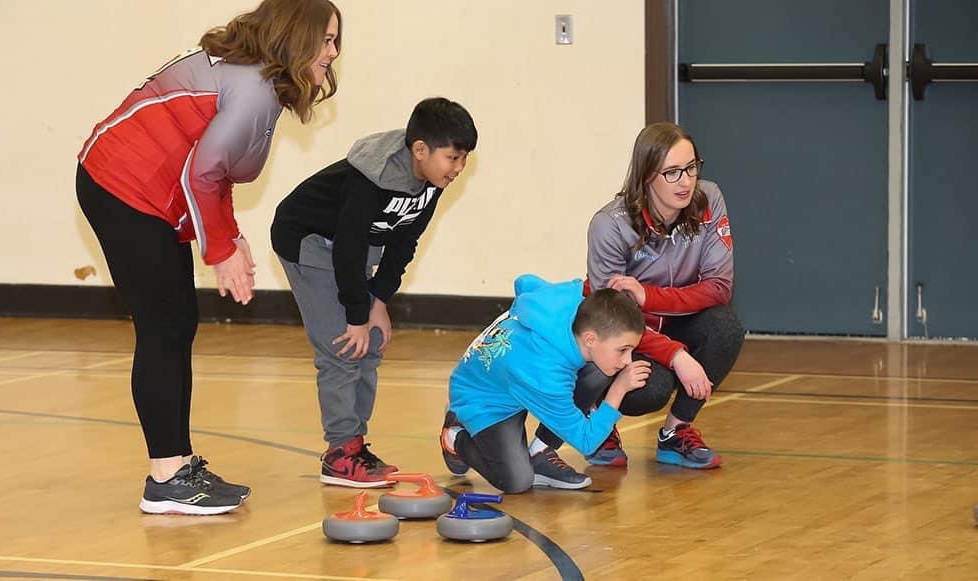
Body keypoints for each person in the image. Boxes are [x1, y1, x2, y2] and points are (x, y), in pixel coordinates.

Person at [76, 0, 342, 515]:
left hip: (148, 191)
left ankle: (176, 463)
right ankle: (166, 477)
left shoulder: (253, 78)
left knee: (177, 324)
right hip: (122, 187)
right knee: (164, 327)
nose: (333, 53)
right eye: (326, 40)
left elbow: (209, 168)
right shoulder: (254, 89)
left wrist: (230, 235)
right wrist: (218, 249)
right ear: (296, 36)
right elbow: (202, 174)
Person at [271, 97, 478, 488]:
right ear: (420, 150)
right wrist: (356, 316)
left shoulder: (431, 183)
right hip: (309, 239)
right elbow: (346, 250)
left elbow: (404, 243)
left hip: (356, 246)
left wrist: (378, 304)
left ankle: (355, 446)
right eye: (453, 158)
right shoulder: (373, 178)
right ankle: (339, 454)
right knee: (343, 346)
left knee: (373, 340)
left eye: (464, 158)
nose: (459, 168)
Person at [531, 122, 745, 471]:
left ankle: (676, 433)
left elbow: (719, 287)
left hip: (671, 319)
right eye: (672, 173)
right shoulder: (610, 225)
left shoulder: (709, 200)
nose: (686, 182)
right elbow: (609, 321)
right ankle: (601, 418)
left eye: (691, 168)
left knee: (726, 328)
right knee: (651, 388)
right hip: (626, 335)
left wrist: (649, 297)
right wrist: (676, 356)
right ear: (647, 176)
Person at [439, 274, 650, 493]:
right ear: (590, 339)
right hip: (482, 400)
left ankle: (540, 453)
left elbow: (525, 282)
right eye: (623, 350)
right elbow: (586, 441)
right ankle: (454, 436)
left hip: (515, 379)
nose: (628, 361)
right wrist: (618, 390)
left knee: (598, 371)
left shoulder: (571, 303)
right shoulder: (546, 376)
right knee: (516, 481)